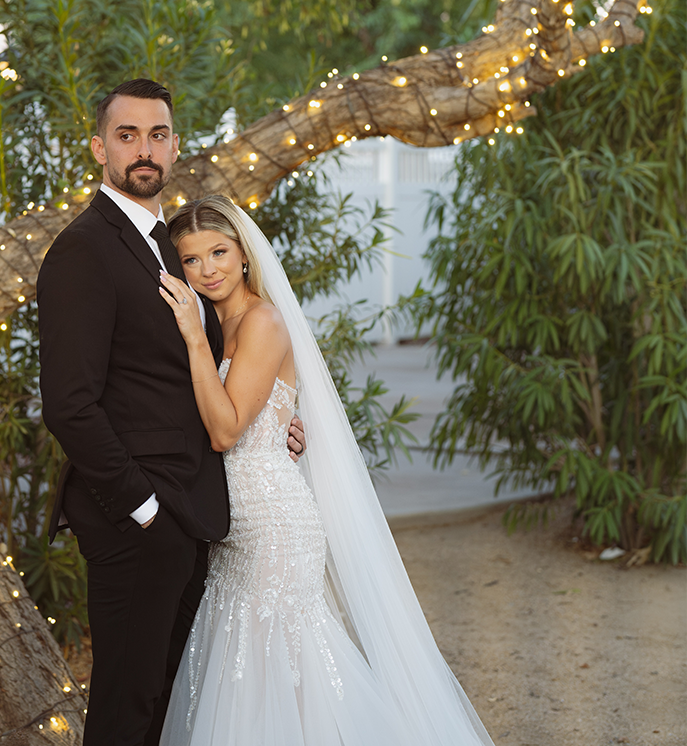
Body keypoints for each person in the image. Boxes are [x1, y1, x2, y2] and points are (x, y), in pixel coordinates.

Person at [155, 194, 496, 746]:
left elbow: (225, 430)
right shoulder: (215, 325)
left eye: (218, 252)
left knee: (287, 668)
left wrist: (194, 337)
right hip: (229, 527)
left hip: (272, 525)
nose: (207, 270)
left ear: (244, 254)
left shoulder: (260, 321)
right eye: (190, 260)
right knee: (241, 667)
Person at [38, 79, 306, 746]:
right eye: (127, 135)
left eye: (157, 134)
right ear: (99, 147)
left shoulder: (168, 246)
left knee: (162, 702)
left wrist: (274, 419)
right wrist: (145, 510)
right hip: (137, 517)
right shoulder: (85, 249)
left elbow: (180, 374)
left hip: (190, 513)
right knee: (127, 705)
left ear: (175, 145)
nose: (144, 149)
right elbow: (70, 405)